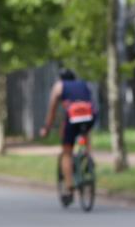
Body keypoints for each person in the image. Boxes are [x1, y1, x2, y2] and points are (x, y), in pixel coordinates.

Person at [39, 69, 96, 207]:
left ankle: (69, 187)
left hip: (73, 117)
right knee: (85, 132)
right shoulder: (84, 84)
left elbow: (52, 109)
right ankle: (88, 157)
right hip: (89, 115)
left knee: (67, 152)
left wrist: (46, 128)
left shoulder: (59, 86)